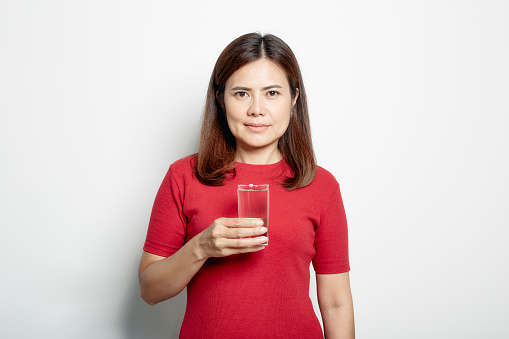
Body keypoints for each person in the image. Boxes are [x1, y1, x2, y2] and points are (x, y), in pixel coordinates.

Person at [138, 32, 354, 338]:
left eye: (272, 93)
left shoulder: (322, 186)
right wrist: (201, 247)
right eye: (241, 93)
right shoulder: (183, 176)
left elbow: (336, 303)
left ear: (293, 99)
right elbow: (150, 291)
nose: (256, 109)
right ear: (220, 99)